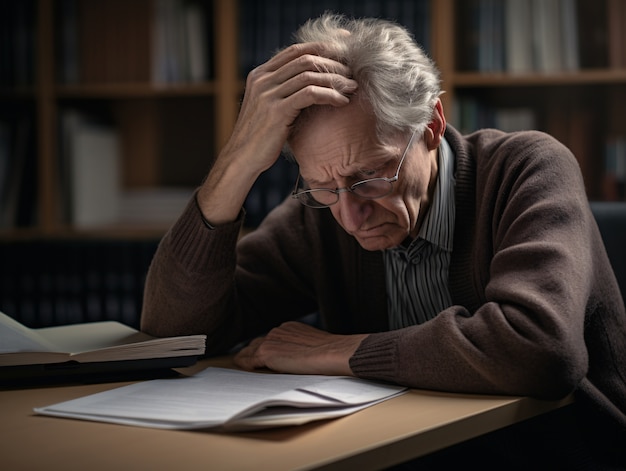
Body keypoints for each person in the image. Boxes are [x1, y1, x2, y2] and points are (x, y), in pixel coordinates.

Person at [141, 13, 626, 469]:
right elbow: (175, 333)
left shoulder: (527, 168)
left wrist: (338, 352)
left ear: (431, 126)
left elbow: (539, 351)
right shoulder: (322, 214)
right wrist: (236, 163)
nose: (350, 216)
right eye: (323, 187)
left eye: (370, 175)